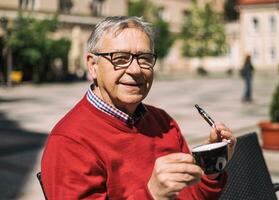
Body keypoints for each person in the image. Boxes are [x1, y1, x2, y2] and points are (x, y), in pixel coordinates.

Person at [41, 16, 236, 200]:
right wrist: (153, 194)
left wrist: (210, 168)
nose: (135, 70)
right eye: (120, 58)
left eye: (144, 58)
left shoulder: (163, 122)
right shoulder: (70, 142)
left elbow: (190, 195)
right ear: (93, 65)